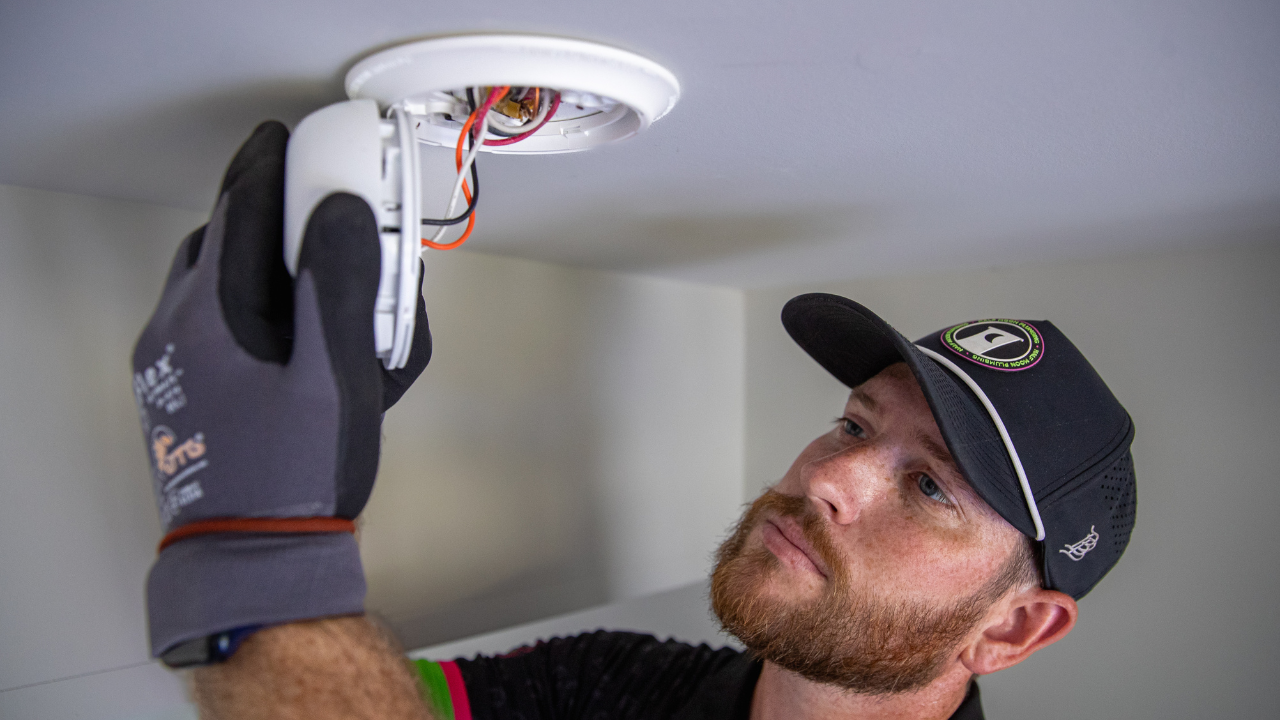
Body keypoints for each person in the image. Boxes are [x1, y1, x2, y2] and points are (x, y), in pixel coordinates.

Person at [133, 124, 1136, 720]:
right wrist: (313, 471)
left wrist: (254, 545)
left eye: (928, 487)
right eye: (852, 426)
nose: (831, 476)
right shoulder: (613, 683)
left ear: (1012, 627)